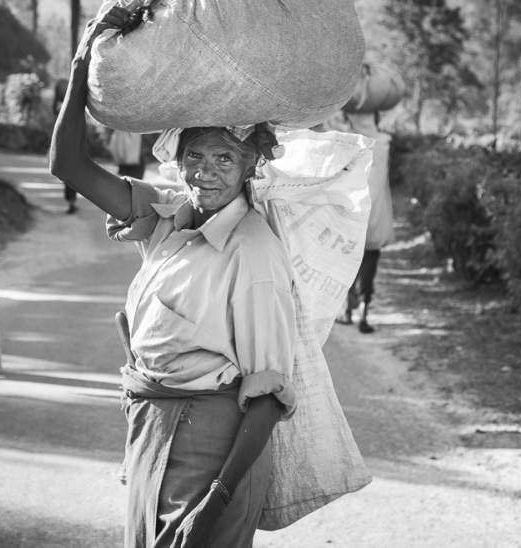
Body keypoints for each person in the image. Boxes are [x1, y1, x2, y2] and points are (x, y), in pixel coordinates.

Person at [50, 8, 296, 547]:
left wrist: (219, 498)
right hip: (151, 432)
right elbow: (68, 166)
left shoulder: (254, 253)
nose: (205, 171)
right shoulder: (165, 217)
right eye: (194, 156)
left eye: (224, 159)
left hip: (212, 450)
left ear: (250, 166)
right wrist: (81, 59)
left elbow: (270, 396)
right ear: (176, 159)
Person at [332, 111, 395, 334]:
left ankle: (347, 312)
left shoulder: (347, 141)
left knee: (347, 266)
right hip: (375, 214)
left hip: (350, 214)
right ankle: (364, 316)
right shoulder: (384, 143)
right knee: (369, 265)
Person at [53, 77, 79, 214]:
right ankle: (72, 200)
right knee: (71, 174)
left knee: (67, 174)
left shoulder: (59, 107)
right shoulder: (74, 104)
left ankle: (71, 201)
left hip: (63, 144)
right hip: (74, 142)